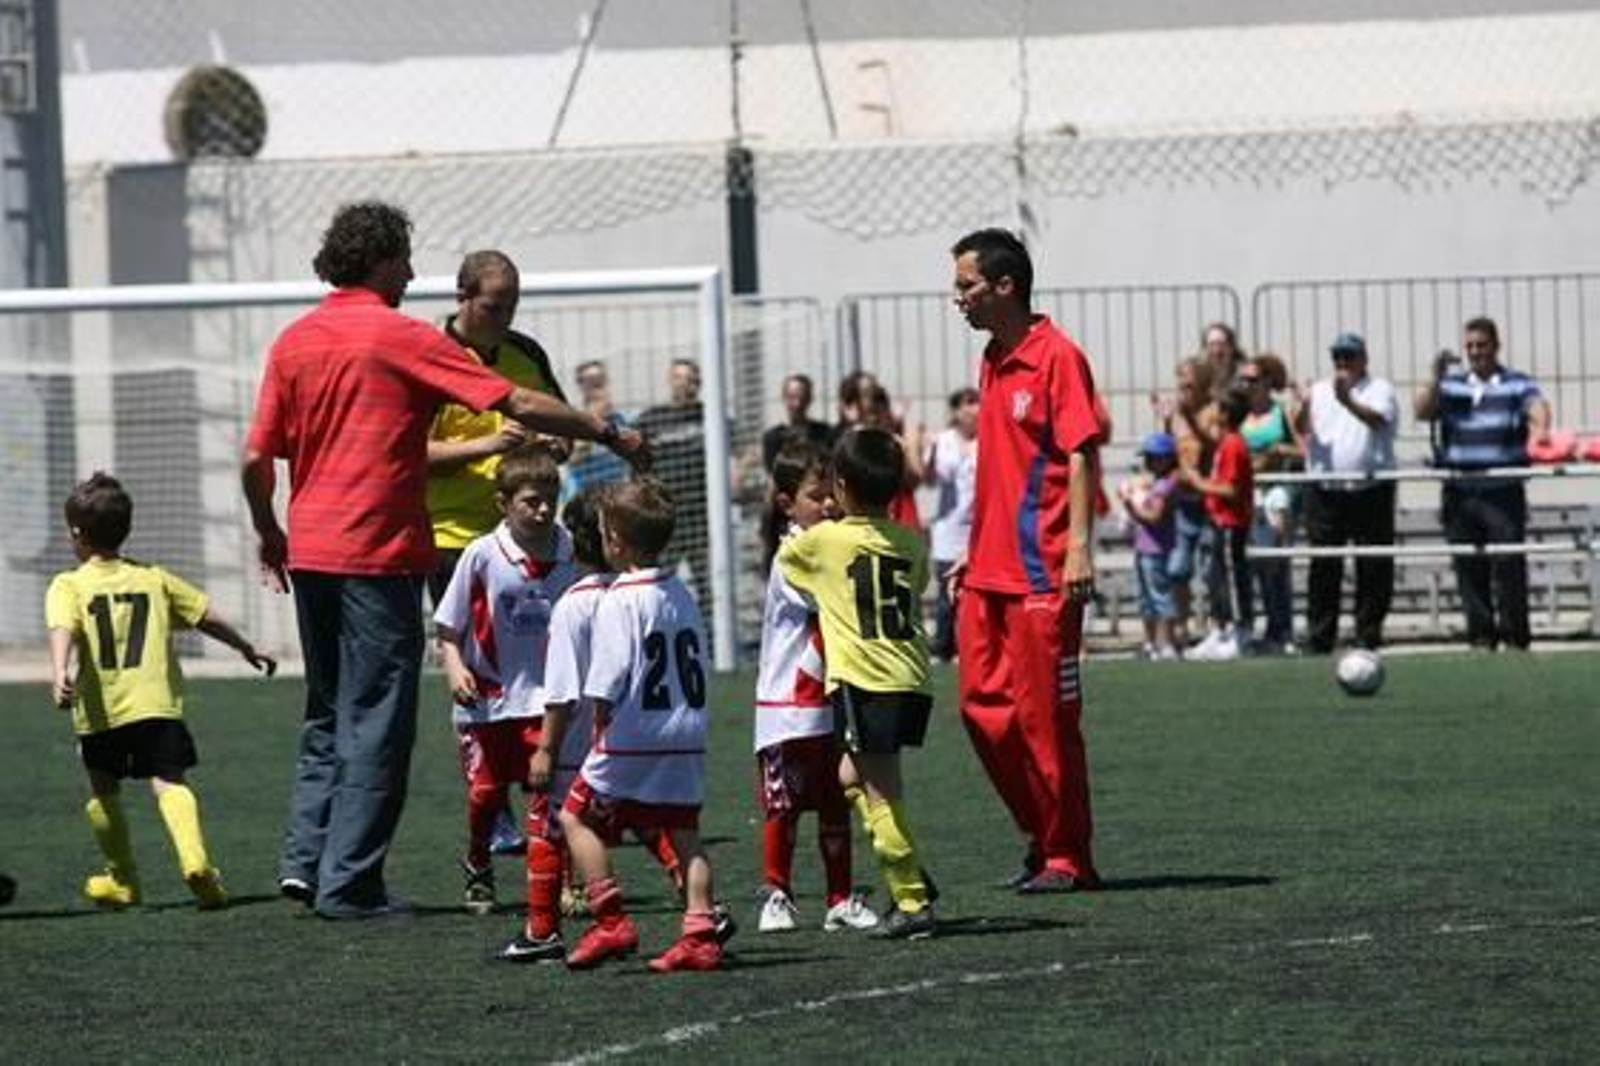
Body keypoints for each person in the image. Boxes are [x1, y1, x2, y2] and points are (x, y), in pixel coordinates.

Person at [241, 200, 647, 920]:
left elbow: (255, 458)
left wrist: (269, 532)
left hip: (310, 546)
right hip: (377, 549)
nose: (412, 271)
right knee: (378, 720)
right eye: (403, 258)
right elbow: (514, 399)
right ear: (377, 259)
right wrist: (602, 429)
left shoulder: (294, 340)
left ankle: (304, 863)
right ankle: (352, 885)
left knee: (326, 709)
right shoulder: (398, 336)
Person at [947, 228, 1102, 895]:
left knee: (1046, 722)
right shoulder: (992, 358)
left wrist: (1080, 547)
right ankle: (1041, 835)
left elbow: (1080, 452)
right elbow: (1004, 471)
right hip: (987, 572)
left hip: (1043, 574)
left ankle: (1069, 855)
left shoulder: (1057, 356)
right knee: (981, 713)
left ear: (1004, 286)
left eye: (965, 285)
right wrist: (970, 551)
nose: (956, 297)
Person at [45, 473, 276, 910]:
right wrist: (245, 645)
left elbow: (63, 627)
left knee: (102, 787)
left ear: (77, 534)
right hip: (156, 707)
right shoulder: (154, 578)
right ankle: (195, 863)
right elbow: (205, 614)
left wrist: (59, 670)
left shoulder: (68, 585)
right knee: (169, 781)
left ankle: (124, 880)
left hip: (102, 712)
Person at [427, 249, 568, 858]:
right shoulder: (427, 358)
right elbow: (409, 455)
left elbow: (563, 429)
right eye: (493, 305)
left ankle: (554, 794)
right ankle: (495, 808)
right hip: (455, 540)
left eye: (512, 304)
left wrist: (550, 443)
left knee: (541, 672)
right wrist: (489, 441)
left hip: (530, 540)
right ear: (463, 296)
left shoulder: (526, 353)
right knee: (481, 677)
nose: (504, 316)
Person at [557, 479, 725, 972]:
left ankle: (610, 921)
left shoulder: (620, 600)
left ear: (615, 542)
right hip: (685, 730)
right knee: (684, 832)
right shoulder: (682, 593)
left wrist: (599, 733)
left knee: (573, 815)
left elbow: (606, 682)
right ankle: (700, 934)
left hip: (634, 734)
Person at [778, 427, 938, 939]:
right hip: (910, 676)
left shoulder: (826, 540)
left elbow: (788, 562)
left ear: (841, 486)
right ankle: (907, 868)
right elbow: (916, 584)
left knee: (879, 790)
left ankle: (911, 900)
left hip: (866, 681)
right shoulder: (912, 542)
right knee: (851, 777)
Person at [432, 446, 577, 915]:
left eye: (549, 499)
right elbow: (448, 627)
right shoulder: (481, 554)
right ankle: (478, 861)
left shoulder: (572, 549)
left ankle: (564, 880)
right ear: (503, 504)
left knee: (552, 793)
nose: (542, 510)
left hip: (550, 698)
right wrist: (455, 667)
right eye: (530, 500)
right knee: (486, 795)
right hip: (489, 698)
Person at [754, 440, 878, 935]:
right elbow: (831, 598)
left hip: (830, 701)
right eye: (814, 496)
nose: (827, 505)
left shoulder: (834, 546)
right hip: (787, 706)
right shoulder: (791, 556)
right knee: (782, 807)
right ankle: (776, 894)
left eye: (832, 494)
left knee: (834, 800)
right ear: (788, 504)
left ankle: (839, 898)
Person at [1415, 317, 1552, 650]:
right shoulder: (1451, 386)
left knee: (1509, 564)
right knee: (1468, 565)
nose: (1476, 352)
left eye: (1482, 345)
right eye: (1470, 346)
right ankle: (1481, 637)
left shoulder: (1516, 382)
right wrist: (1435, 377)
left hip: (1502, 489)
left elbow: (1537, 407)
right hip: (1460, 491)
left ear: (1495, 345)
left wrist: (1539, 433)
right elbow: (1421, 410)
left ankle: (1515, 637)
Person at [1294, 332, 1399, 653]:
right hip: (1326, 491)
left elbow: (1378, 421)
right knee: (1324, 565)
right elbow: (1301, 427)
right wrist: (1304, 403)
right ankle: (1320, 636)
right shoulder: (1321, 390)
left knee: (1373, 566)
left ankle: (1368, 634)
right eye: (1337, 357)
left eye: (1349, 356)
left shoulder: (1380, 388)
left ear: (1363, 359)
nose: (1342, 363)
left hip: (1370, 489)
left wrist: (1347, 401)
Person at [1182, 387, 1256, 661]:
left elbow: (1231, 490)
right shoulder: (1225, 442)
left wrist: (1198, 483)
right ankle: (1220, 629)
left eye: (1215, 408)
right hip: (1217, 521)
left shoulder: (1234, 443)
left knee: (1233, 579)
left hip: (1230, 522)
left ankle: (1241, 631)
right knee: (1215, 579)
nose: (1211, 412)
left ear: (1224, 414)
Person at [1238, 353, 1303, 652]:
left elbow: (1302, 450)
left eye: (1253, 379)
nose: (1248, 385)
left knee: (1277, 560)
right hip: (1248, 492)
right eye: (1244, 380)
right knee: (1257, 564)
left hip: (1277, 490)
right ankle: (1265, 627)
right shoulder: (1239, 415)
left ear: (1267, 382)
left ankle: (1284, 628)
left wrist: (1278, 450)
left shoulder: (1282, 412)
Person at [1153, 356, 1218, 649]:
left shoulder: (1213, 411)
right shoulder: (1177, 415)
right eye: (1181, 384)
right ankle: (1181, 629)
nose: (1184, 390)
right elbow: (1168, 455)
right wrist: (1167, 423)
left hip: (1210, 501)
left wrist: (1187, 417)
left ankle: (1220, 628)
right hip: (1182, 503)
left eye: (1189, 384)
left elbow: (1213, 443)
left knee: (1212, 568)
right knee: (1178, 569)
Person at [635, 359, 712, 608]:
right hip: (667, 515)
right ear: (670, 380)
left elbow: (739, 453)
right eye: (680, 378)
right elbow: (637, 467)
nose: (686, 384)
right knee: (660, 579)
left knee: (707, 584)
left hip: (701, 517)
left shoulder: (709, 416)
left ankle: (709, 633)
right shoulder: (651, 419)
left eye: (692, 379)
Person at [924, 387, 980, 661]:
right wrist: (928, 449)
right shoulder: (943, 440)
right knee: (948, 599)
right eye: (968, 403)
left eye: (977, 402)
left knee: (976, 597)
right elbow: (930, 479)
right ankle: (943, 648)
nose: (974, 409)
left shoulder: (989, 438)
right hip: (949, 532)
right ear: (956, 411)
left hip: (978, 531)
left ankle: (971, 648)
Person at [1118, 432, 1182, 661]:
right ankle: (1150, 643)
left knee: (1160, 597)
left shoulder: (1166, 485)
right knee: (1145, 599)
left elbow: (1154, 517)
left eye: (1152, 458)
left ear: (1165, 459)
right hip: (1144, 548)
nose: (1147, 463)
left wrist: (1130, 506)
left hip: (1156, 550)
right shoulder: (1159, 482)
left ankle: (1167, 644)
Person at [564, 360, 634, 500]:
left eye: (600, 380)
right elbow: (572, 458)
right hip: (584, 497)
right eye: (590, 381)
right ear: (581, 385)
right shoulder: (573, 419)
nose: (596, 385)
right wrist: (595, 420)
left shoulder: (622, 418)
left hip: (618, 494)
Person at [760, 373, 833, 474]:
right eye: (792, 397)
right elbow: (772, 476)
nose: (798, 404)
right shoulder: (772, 438)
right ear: (784, 398)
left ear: (810, 398)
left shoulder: (825, 432)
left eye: (802, 397)